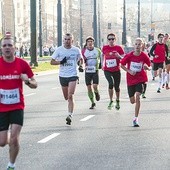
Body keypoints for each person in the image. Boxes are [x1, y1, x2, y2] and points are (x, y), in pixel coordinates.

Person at [0, 35, 37, 170]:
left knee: (15, 139)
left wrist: (27, 81)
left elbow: (35, 83)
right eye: (5, 46)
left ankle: (11, 165)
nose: (7, 48)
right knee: (2, 142)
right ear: (1, 49)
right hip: (1, 108)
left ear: (15, 48)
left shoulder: (22, 64)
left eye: (10, 45)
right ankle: (8, 138)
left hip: (17, 106)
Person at [50, 33, 83, 125]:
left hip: (73, 75)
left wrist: (80, 65)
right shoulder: (59, 50)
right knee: (66, 97)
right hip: (63, 75)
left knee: (70, 95)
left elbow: (81, 59)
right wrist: (60, 61)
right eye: (65, 39)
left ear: (72, 41)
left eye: (69, 39)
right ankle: (70, 110)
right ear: (63, 40)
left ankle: (70, 115)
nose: (67, 41)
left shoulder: (76, 50)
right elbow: (51, 62)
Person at [121, 38, 151, 127]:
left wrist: (146, 67)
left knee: (138, 96)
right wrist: (129, 71)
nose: (138, 46)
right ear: (134, 46)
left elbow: (149, 65)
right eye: (136, 44)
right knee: (132, 101)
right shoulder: (129, 56)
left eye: (139, 44)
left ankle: (135, 118)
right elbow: (122, 65)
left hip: (140, 79)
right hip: (130, 80)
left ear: (142, 46)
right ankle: (133, 99)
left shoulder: (144, 56)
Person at [102, 33, 125, 110]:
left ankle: (117, 100)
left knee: (117, 86)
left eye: (112, 39)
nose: (111, 40)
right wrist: (102, 64)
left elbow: (124, 58)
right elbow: (103, 55)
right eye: (109, 39)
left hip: (116, 70)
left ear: (115, 40)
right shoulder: (105, 47)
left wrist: (119, 57)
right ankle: (111, 100)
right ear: (107, 40)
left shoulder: (119, 48)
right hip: (107, 69)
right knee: (111, 83)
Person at [82, 36, 102, 109]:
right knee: (89, 88)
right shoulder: (84, 51)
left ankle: (96, 92)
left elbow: (102, 58)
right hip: (87, 71)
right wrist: (81, 66)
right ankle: (92, 102)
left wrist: (101, 65)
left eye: (91, 42)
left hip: (95, 70)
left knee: (95, 86)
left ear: (93, 42)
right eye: (88, 42)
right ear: (86, 43)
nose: (90, 43)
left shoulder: (97, 50)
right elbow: (81, 60)